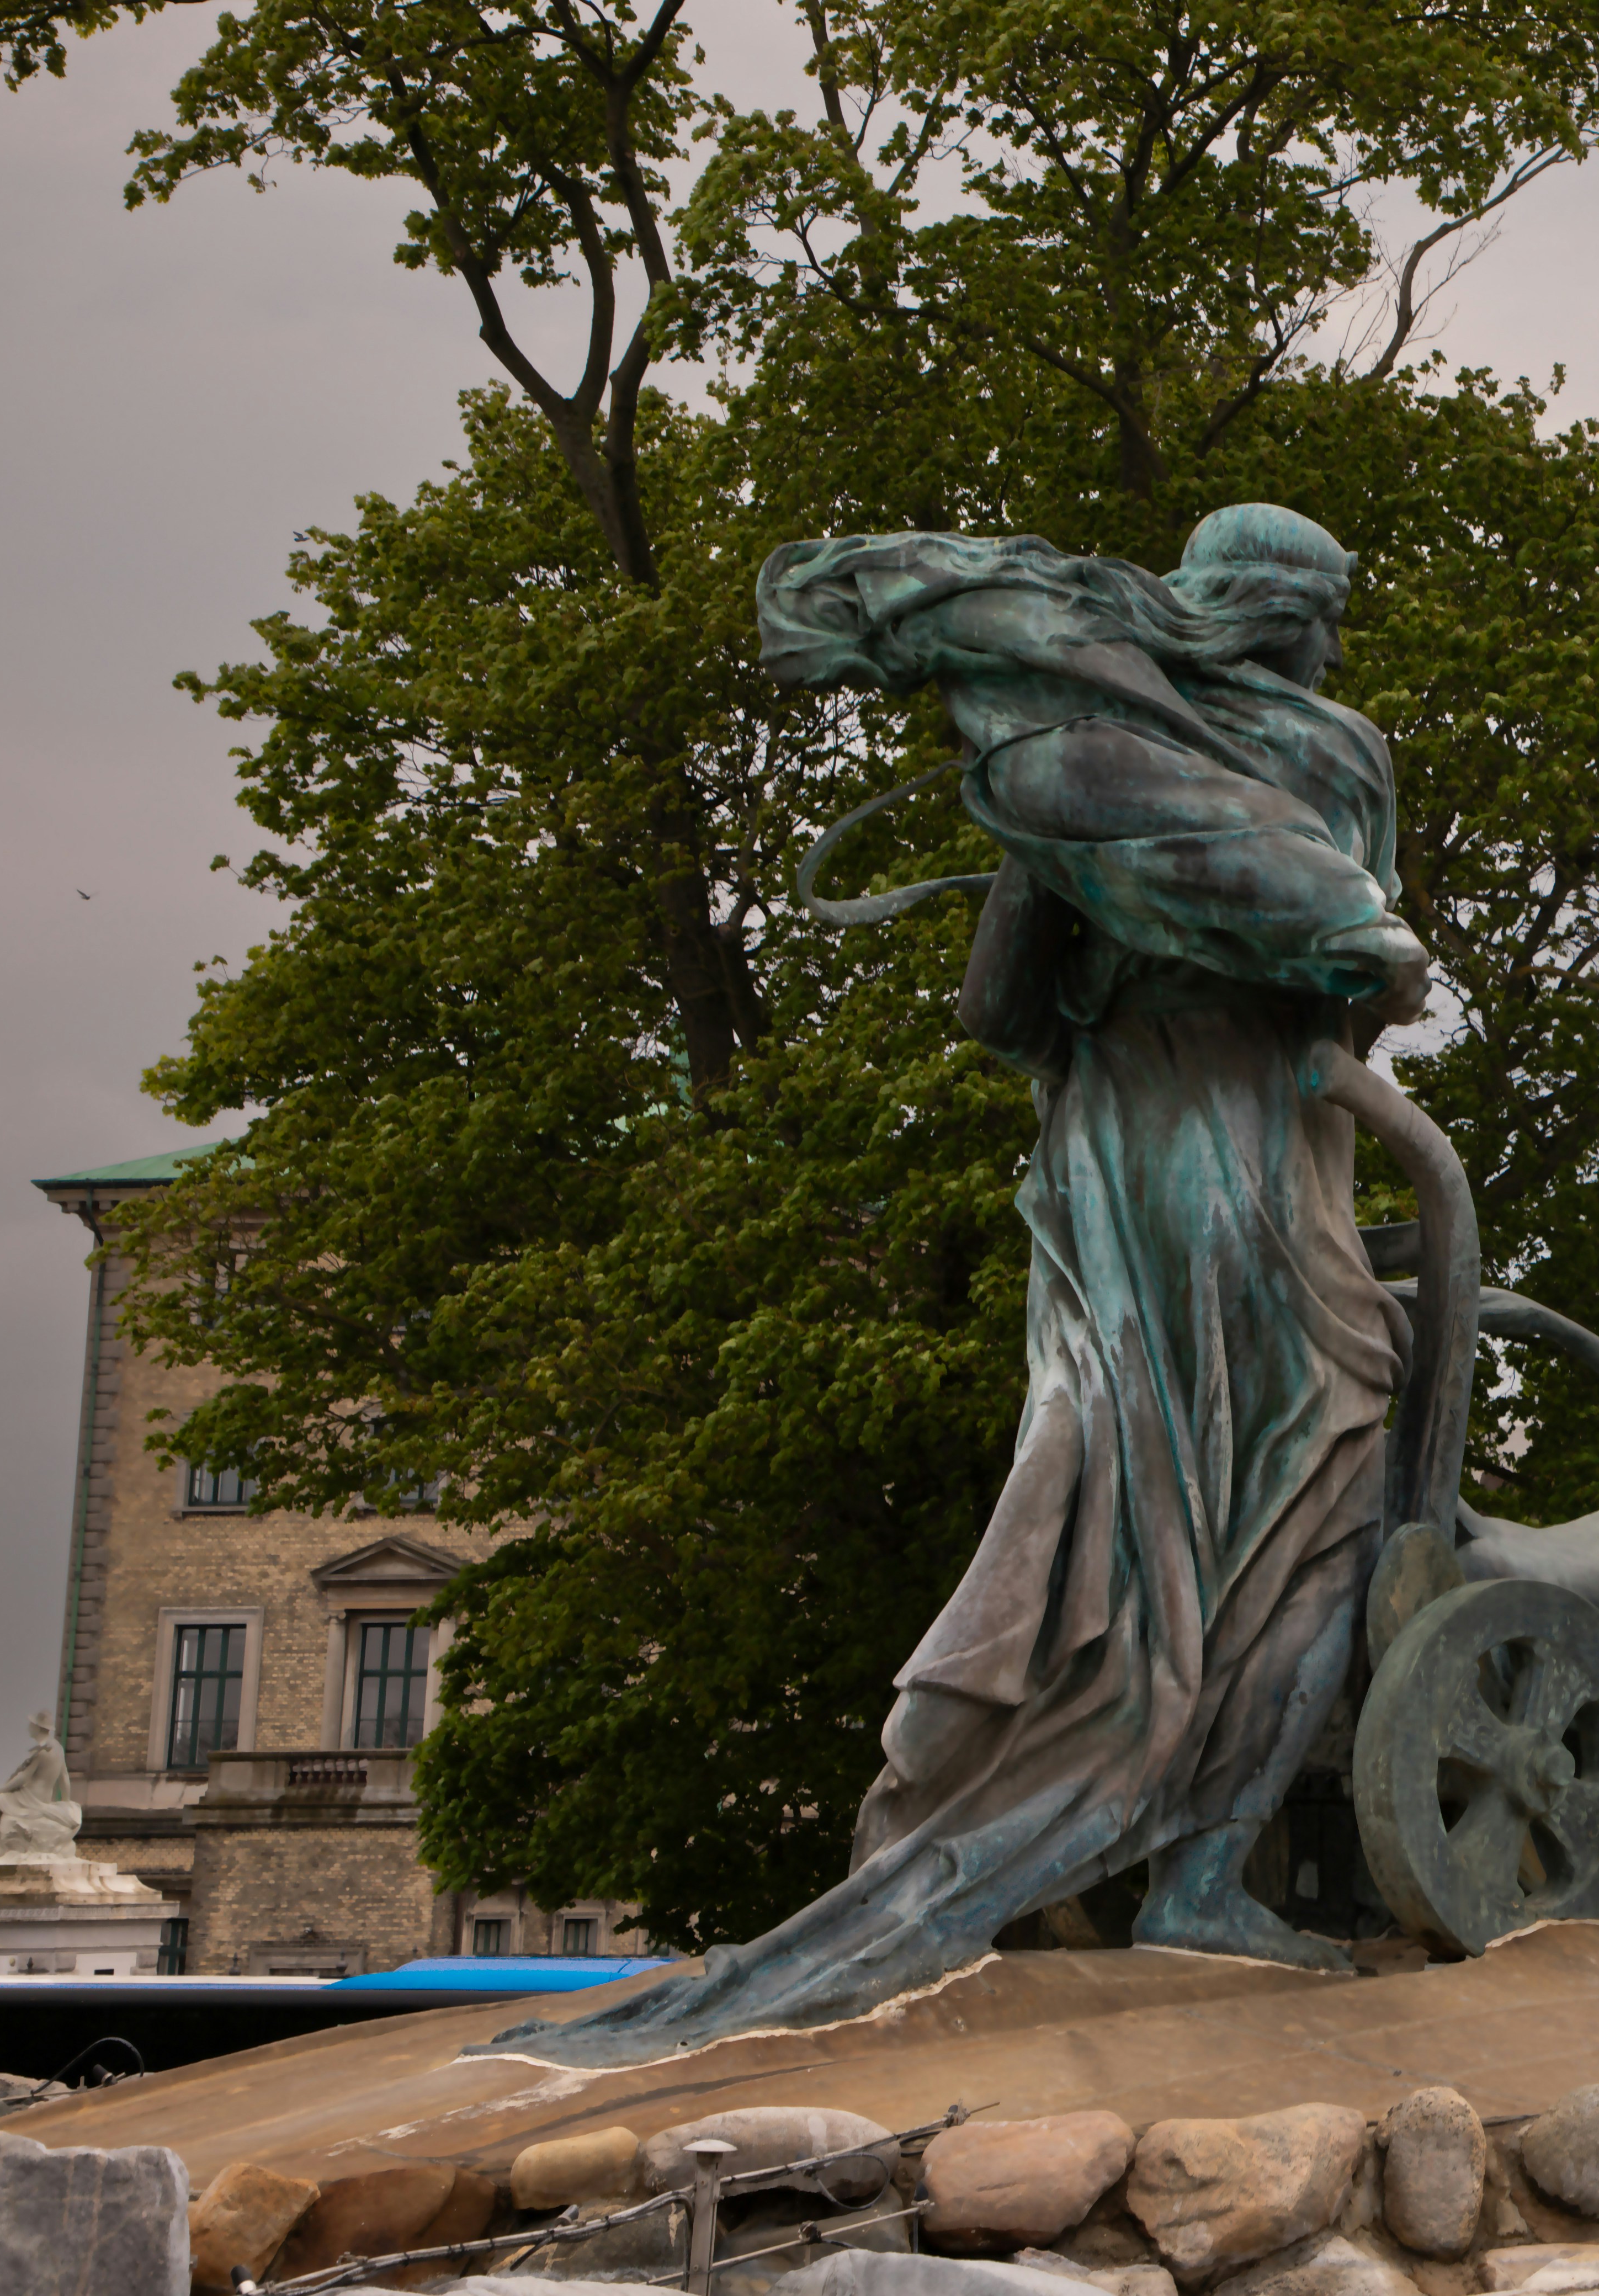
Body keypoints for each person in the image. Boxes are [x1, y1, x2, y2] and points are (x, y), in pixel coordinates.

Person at [505, 506, 1426, 2064]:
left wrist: (1081, 912)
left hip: (1103, 1170)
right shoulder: (1333, 755)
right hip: (1253, 1166)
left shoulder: (1076, 752)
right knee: (1326, 1497)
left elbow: (1001, 1011)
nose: (1334, 648)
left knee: (1102, 1485)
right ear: (1284, 617)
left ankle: (1006, 1785)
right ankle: (1203, 1875)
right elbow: (1362, 996)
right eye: (1326, 615)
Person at [0, 1711, 79, 1862]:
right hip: (42, 1797)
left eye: (32, 1725)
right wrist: (66, 1802)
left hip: (29, 1798)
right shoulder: (57, 1748)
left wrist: (1, 1790)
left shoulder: (42, 1752)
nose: (29, 1728)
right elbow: (64, 1778)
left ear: (38, 1728)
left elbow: (22, 1778)